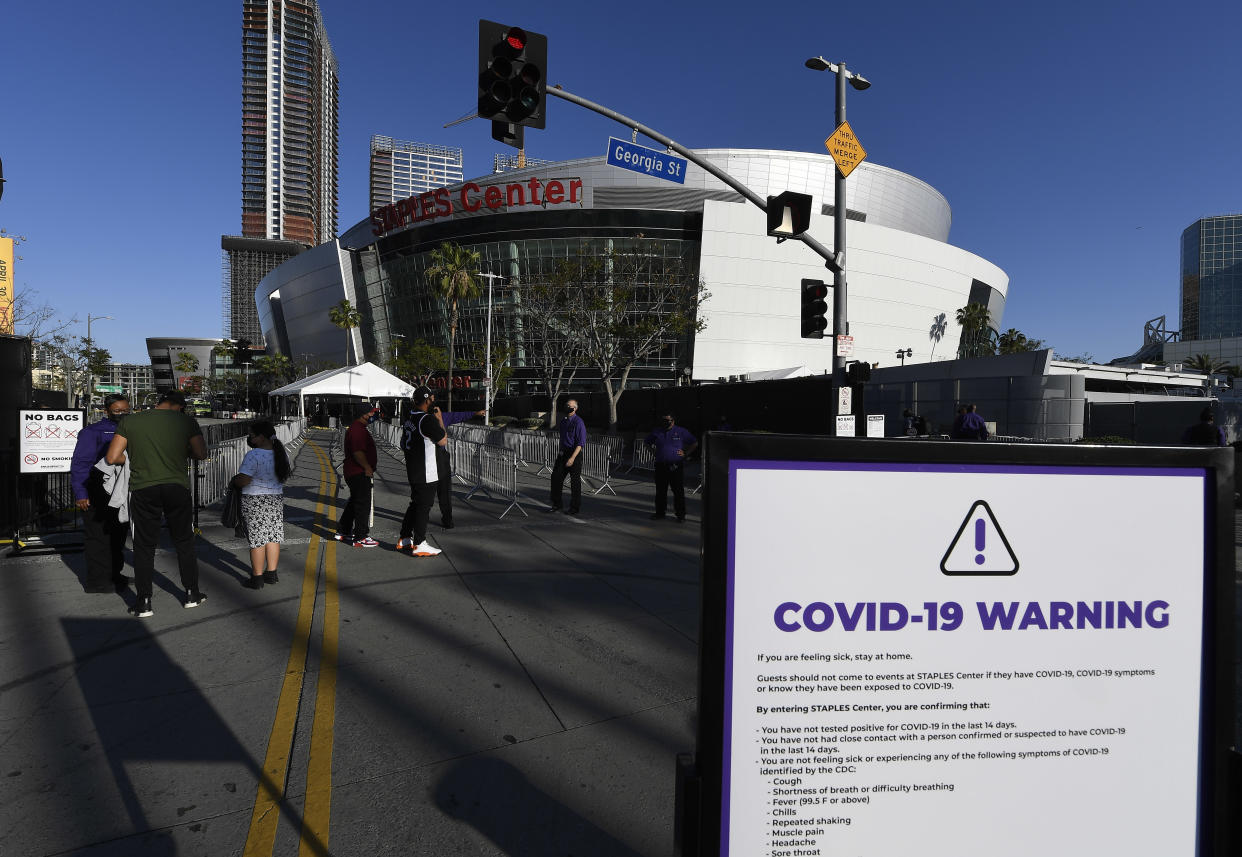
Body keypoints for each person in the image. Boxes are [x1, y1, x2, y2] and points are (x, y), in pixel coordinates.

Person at [105, 390, 208, 617]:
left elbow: (112, 457)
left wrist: (136, 455)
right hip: (177, 487)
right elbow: (201, 453)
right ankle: (191, 593)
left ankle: (144, 602)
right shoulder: (186, 421)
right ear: (178, 406)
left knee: (143, 546)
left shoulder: (131, 421)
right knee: (183, 541)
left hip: (143, 488)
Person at [71, 394, 133, 593]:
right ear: (107, 411)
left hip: (120, 489)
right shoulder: (91, 432)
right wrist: (80, 493)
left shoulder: (131, 430)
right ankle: (97, 581)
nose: (122, 414)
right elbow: (80, 464)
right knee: (98, 536)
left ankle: (115, 574)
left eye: (126, 410)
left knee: (118, 535)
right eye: (117, 411)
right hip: (96, 489)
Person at [231, 421, 292, 589]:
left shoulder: (254, 455)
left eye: (252, 436)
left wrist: (234, 480)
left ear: (261, 436)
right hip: (275, 498)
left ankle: (257, 578)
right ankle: (271, 573)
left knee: (257, 540)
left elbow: (244, 480)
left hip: (254, 500)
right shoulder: (281, 453)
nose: (250, 439)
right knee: (272, 536)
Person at [398, 386, 445, 556]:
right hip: (426, 471)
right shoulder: (427, 420)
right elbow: (443, 441)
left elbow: (403, 443)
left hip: (414, 468)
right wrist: (439, 419)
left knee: (415, 504)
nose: (433, 401)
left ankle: (405, 537)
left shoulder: (410, 418)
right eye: (432, 399)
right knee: (423, 507)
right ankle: (419, 542)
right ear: (427, 401)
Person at [430, 395, 484, 529]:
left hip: (441, 457)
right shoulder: (425, 420)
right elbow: (442, 437)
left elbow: (458, 415)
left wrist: (474, 414)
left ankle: (447, 519)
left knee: (445, 492)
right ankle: (419, 518)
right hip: (429, 458)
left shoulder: (443, 416)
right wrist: (439, 419)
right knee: (427, 493)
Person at [337, 402, 381, 547]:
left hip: (355, 471)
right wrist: (367, 467)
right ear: (363, 414)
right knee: (363, 503)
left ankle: (343, 529)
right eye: (371, 412)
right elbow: (358, 452)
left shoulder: (359, 428)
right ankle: (360, 536)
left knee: (355, 501)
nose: (373, 415)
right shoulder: (357, 430)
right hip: (358, 472)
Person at [644, 413, 698, 522]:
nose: (667, 422)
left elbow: (694, 443)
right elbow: (646, 443)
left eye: (670, 420)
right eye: (665, 420)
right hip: (661, 466)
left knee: (678, 491)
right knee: (660, 491)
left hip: (675, 466)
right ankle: (660, 513)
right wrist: (653, 452)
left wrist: (686, 453)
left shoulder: (681, 431)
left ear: (673, 421)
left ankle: (680, 515)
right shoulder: (657, 431)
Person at [546, 398, 586, 516]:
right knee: (556, 478)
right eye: (566, 405)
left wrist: (572, 458)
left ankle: (574, 507)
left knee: (575, 482)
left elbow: (580, 443)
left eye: (570, 406)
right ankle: (557, 504)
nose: (568, 407)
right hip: (563, 453)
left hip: (575, 454)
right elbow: (563, 439)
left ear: (575, 408)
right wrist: (560, 452)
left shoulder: (579, 422)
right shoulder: (563, 421)